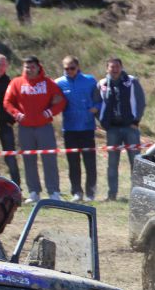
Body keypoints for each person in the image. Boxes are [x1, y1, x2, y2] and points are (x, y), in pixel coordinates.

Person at [4, 56, 66, 203]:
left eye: (32, 67)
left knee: (49, 159)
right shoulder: (16, 82)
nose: (29, 70)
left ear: (38, 67)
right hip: (25, 128)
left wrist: (50, 112)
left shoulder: (48, 83)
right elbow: (7, 102)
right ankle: (33, 192)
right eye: (26, 67)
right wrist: (16, 114)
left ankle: (53, 192)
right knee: (28, 160)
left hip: (44, 127)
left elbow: (61, 100)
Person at [97, 57, 146, 201]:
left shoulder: (132, 81)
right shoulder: (102, 84)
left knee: (136, 162)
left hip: (130, 127)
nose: (115, 69)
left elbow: (141, 102)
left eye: (117, 66)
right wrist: (103, 122)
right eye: (112, 67)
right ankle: (112, 195)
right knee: (112, 163)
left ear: (121, 67)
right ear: (107, 69)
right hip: (112, 129)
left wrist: (136, 121)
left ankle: (137, 194)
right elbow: (97, 104)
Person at [56, 56, 101, 201]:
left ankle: (90, 192)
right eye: (66, 68)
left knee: (90, 162)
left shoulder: (90, 80)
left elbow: (99, 99)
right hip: (69, 129)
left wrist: (96, 108)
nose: (69, 71)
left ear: (78, 67)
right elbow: (53, 101)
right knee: (73, 163)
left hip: (87, 128)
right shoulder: (59, 83)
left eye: (72, 68)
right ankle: (77, 192)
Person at [0, 54, 22, 187]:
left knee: (10, 158)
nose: (1, 67)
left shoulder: (11, 83)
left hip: (6, 125)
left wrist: (11, 121)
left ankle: (16, 187)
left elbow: (17, 103)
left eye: (4, 64)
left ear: (7, 66)